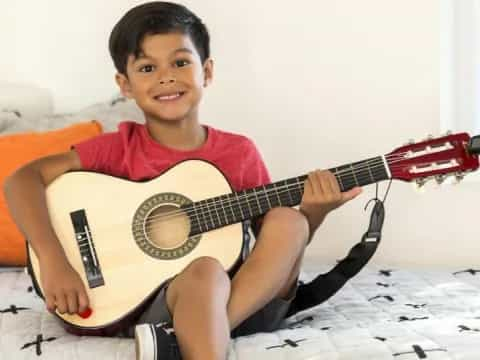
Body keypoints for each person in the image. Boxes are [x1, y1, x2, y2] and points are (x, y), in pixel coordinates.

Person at [3, 2, 362, 360]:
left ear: (206, 72)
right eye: (147, 67)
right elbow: (22, 179)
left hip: (244, 299)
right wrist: (55, 261)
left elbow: (275, 251)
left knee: (288, 219)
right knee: (204, 271)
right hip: (135, 303)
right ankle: (195, 336)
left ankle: (182, 338)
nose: (166, 76)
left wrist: (313, 215)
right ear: (125, 85)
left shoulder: (239, 152)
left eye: (180, 62)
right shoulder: (118, 148)